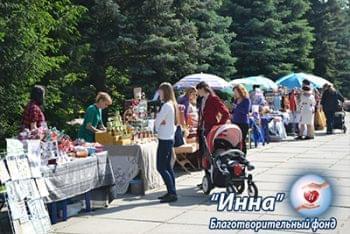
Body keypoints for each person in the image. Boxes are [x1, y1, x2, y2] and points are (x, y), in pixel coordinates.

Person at [155, 82, 179, 203]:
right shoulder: (172, 105)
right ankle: (171, 191)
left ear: (165, 92)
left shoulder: (166, 106)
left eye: (160, 91)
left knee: (161, 167)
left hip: (165, 139)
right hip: (168, 138)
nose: (159, 94)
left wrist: (156, 128)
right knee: (167, 167)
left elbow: (158, 121)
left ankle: (172, 192)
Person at [231, 84, 251, 155]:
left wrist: (236, 107)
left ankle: (243, 155)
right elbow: (234, 110)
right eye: (234, 92)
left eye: (236, 92)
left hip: (243, 123)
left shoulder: (246, 100)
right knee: (235, 140)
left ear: (241, 91)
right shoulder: (235, 100)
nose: (235, 93)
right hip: (235, 122)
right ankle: (237, 154)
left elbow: (246, 111)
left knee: (242, 140)